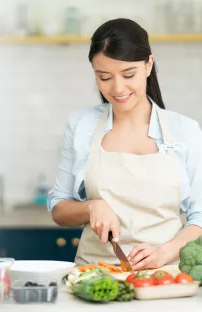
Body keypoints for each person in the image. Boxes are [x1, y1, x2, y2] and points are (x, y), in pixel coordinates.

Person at [47, 18, 202, 270]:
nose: (118, 88)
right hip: (95, 277)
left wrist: (166, 251)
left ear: (148, 65)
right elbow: (59, 209)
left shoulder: (184, 130)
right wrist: (91, 207)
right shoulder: (82, 125)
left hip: (163, 278)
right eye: (104, 77)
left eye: (128, 74)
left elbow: (200, 216)